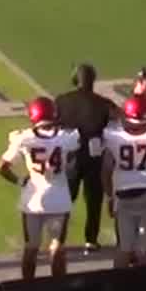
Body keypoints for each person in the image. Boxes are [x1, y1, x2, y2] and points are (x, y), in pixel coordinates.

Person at [0, 97, 82, 279]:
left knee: (31, 247)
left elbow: (2, 167)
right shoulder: (68, 137)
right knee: (57, 246)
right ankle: (58, 286)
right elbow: (74, 154)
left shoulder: (23, 138)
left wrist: (20, 181)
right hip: (59, 198)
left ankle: (28, 287)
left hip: (33, 199)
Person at [100, 95, 146, 270]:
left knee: (124, 248)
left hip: (124, 195)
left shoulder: (114, 136)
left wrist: (109, 196)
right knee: (145, 249)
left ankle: (117, 289)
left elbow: (106, 170)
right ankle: (143, 290)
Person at [54, 63, 117, 254]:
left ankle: (58, 239)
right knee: (93, 200)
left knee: (65, 199)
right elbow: (115, 125)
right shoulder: (103, 103)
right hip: (94, 156)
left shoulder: (62, 100)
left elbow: (54, 127)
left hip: (70, 156)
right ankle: (91, 239)